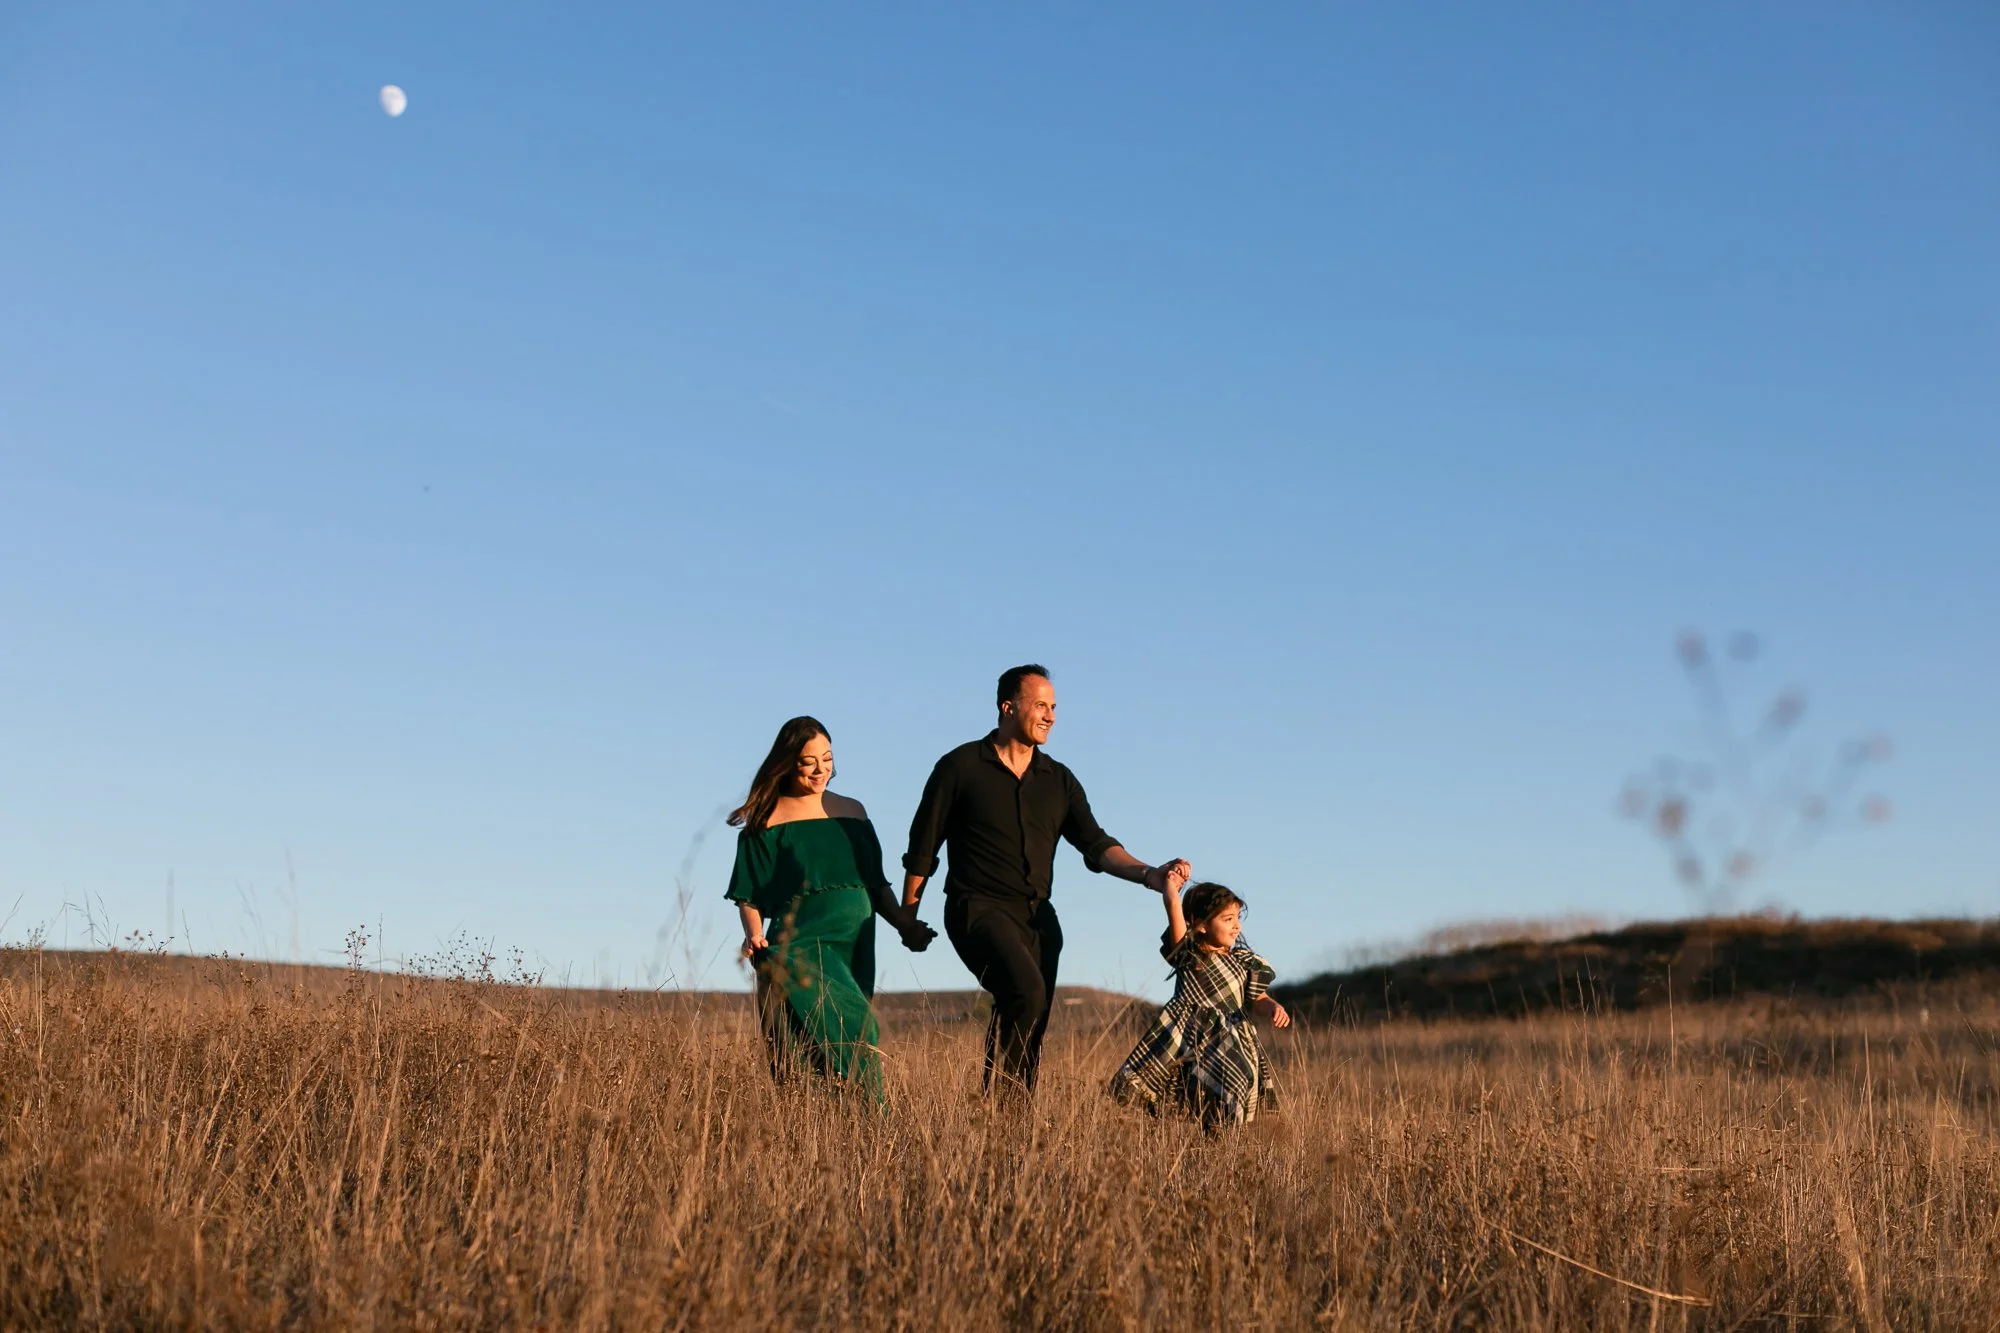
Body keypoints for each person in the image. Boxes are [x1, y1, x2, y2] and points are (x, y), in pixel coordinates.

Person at [902, 664, 1190, 1093]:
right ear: (1007, 707)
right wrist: (909, 916)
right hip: (976, 907)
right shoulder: (959, 767)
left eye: (1053, 707)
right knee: (1025, 991)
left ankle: (1008, 1128)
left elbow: (1097, 844)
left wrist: (1150, 874)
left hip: (1038, 919)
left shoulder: (1058, 780)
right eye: (1040, 705)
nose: (1051, 716)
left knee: (1030, 1018)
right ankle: (997, 1114)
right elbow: (924, 845)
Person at [726, 716, 934, 1097]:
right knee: (860, 1031)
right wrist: (754, 935)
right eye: (809, 762)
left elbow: (876, 884)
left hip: (854, 945)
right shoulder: (768, 819)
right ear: (788, 762)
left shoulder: (854, 812)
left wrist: (906, 925)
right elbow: (748, 895)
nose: (821, 769)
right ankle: (875, 1134)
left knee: (835, 1049)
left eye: (828, 758)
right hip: (801, 945)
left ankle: (843, 1140)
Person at [1109, 880, 1289, 1129]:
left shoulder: (1243, 961)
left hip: (1234, 1037)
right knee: (1208, 1087)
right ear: (1201, 925)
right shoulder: (1191, 956)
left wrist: (1272, 1007)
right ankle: (1206, 1138)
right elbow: (1175, 911)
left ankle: (1221, 1144)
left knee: (1240, 1084)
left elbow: (1257, 998)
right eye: (1227, 919)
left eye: (1237, 917)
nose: (1236, 925)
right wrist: (1170, 889)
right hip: (1194, 1036)